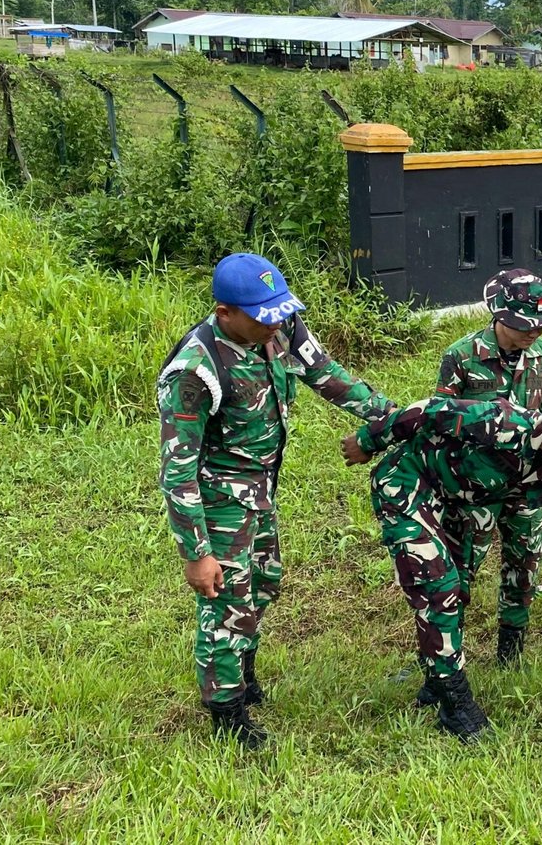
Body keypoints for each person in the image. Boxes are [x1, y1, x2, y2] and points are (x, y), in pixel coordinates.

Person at [158, 252, 395, 750]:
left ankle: (243, 673)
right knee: (225, 602)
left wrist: (391, 418)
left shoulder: (278, 325)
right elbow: (177, 469)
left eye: (279, 312)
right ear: (225, 312)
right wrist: (196, 553)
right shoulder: (196, 369)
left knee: (263, 583)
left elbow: (327, 376)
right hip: (219, 499)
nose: (276, 324)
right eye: (262, 316)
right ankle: (226, 710)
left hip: (261, 490)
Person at [342, 388, 542, 742]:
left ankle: (435, 681)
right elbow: (426, 411)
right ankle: (455, 705)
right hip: (408, 484)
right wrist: (368, 440)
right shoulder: (501, 423)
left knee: (456, 588)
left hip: (456, 506)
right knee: (438, 588)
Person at [426, 270, 542, 669]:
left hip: (528, 487)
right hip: (475, 490)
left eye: (541, 325)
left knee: (524, 571)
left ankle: (511, 650)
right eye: (525, 325)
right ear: (500, 314)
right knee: (457, 573)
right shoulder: (462, 356)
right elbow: (440, 420)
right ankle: (444, 654)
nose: (533, 333)